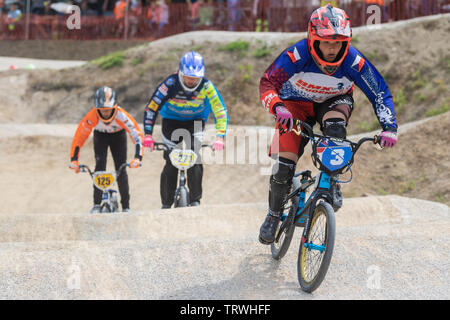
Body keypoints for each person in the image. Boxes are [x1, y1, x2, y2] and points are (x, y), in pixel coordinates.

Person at [258, 4, 398, 244]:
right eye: (327, 42)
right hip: (295, 105)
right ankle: (273, 215)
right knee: (283, 166)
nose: (333, 49)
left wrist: (389, 127)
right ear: (313, 39)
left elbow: (378, 92)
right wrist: (278, 107)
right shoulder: (297, 56)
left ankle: (331, 180)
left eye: (338, 43)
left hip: (333, 102)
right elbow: (268, 83)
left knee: (335, 130)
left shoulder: (353, 61)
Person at [142, 51, 228, 209]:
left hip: (195, 122)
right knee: (171, 161)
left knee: (194, 159)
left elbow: (220, 111)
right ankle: (166, 205)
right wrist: (148, 134)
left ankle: (195, 201)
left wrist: (220, 136)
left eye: (195, 77)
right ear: (180, 72)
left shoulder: (207, 87)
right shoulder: (170, 83)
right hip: (171, 122)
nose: (191, 80)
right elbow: (151, 108)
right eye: (188, 76)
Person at [69, 86, 144, 213]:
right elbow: (79, 137)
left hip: (118, 137)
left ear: (114, 107)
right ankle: (96, 204)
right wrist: (74, 160)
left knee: (121, 168)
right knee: (99, 168)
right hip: (100, 136)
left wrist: (138, 157)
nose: (105, 113)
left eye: (108, 110)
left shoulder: (121, 115)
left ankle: (126, 206)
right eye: (102, 110)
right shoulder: (92, 116)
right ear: (97, 108)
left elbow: (137, 134)